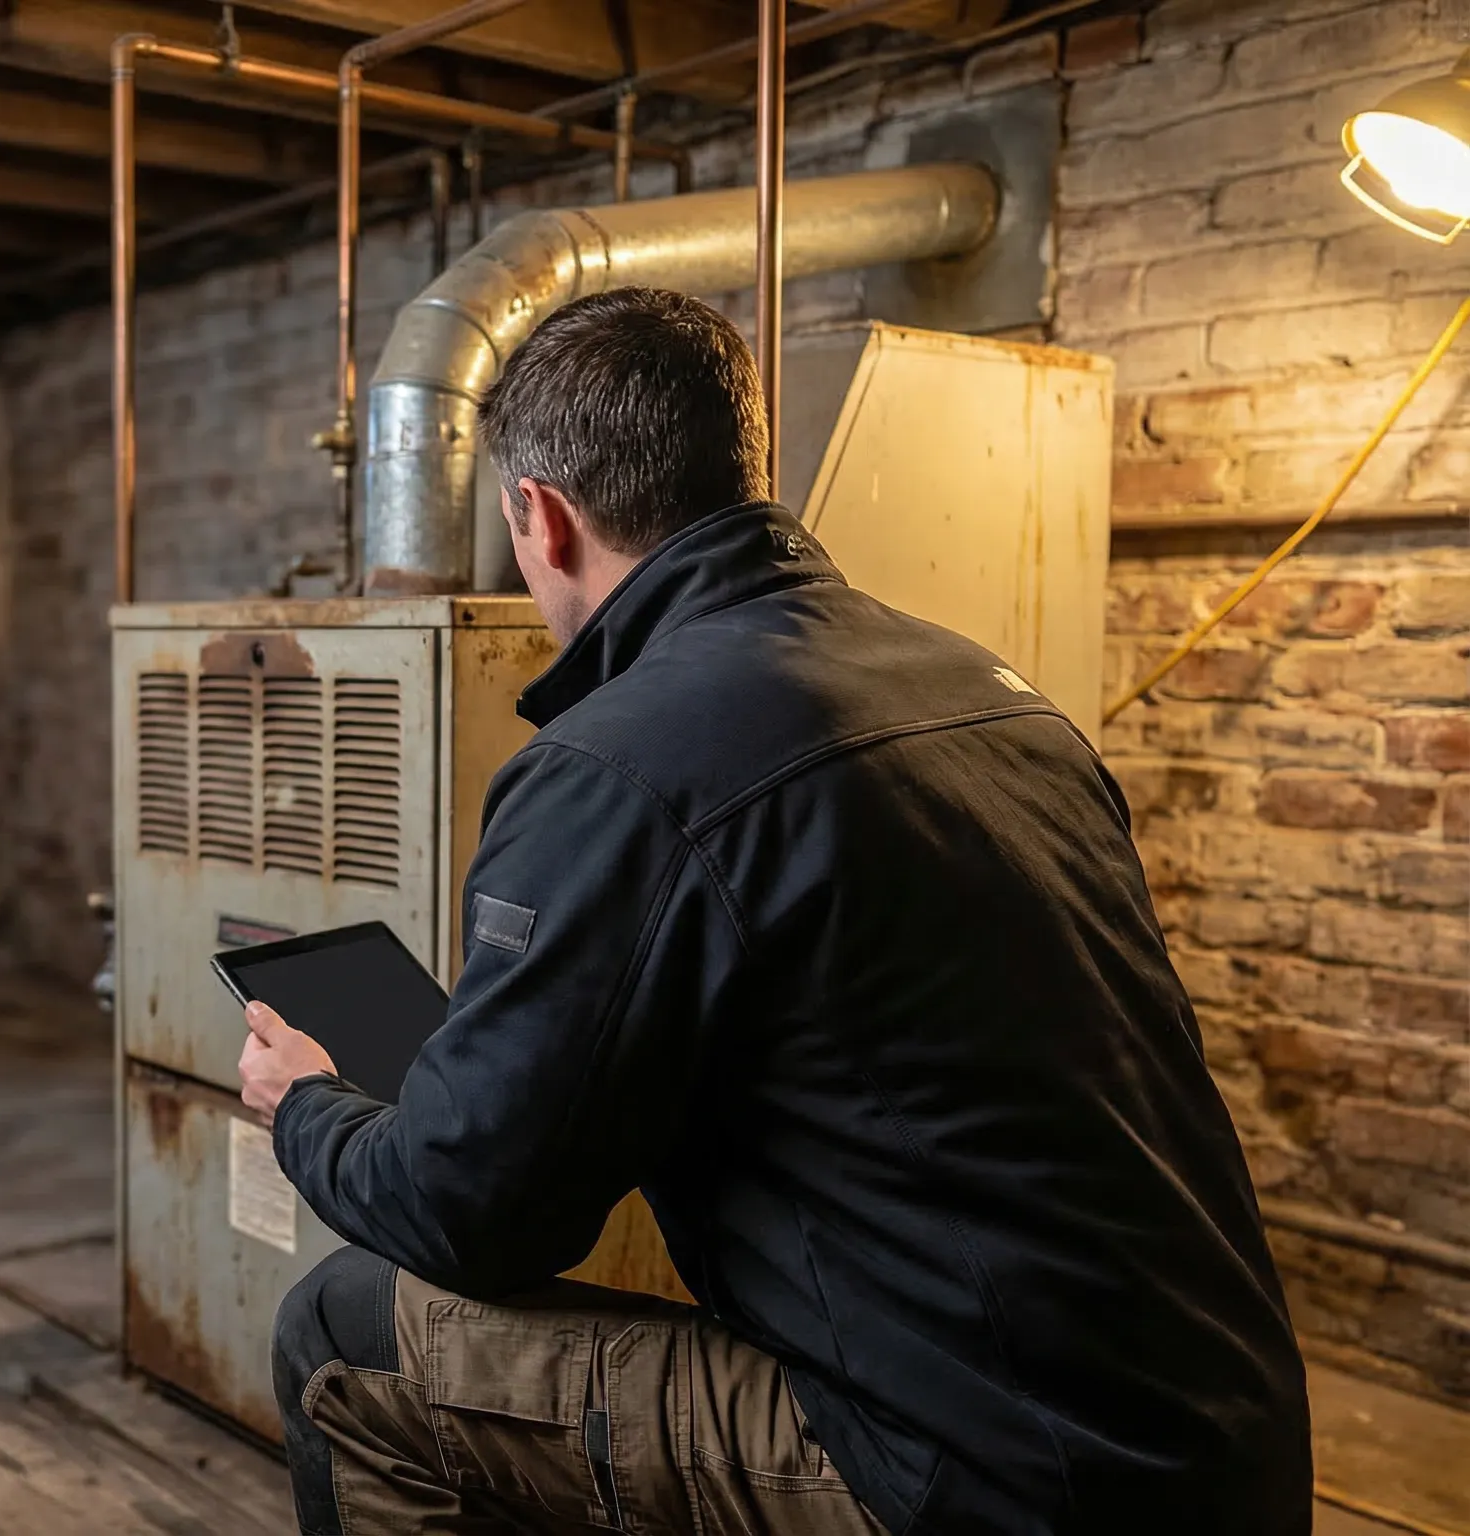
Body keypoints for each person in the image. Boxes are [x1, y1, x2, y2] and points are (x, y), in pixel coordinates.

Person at [238, 287, 1309, 1536]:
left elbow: (464, 1220)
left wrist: (307, 1106)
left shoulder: (612, 761)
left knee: (344, 1337)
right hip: (1220, 1454)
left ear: (540, 517)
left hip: (972, 1482)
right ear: (744, 471)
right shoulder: (993, 694)